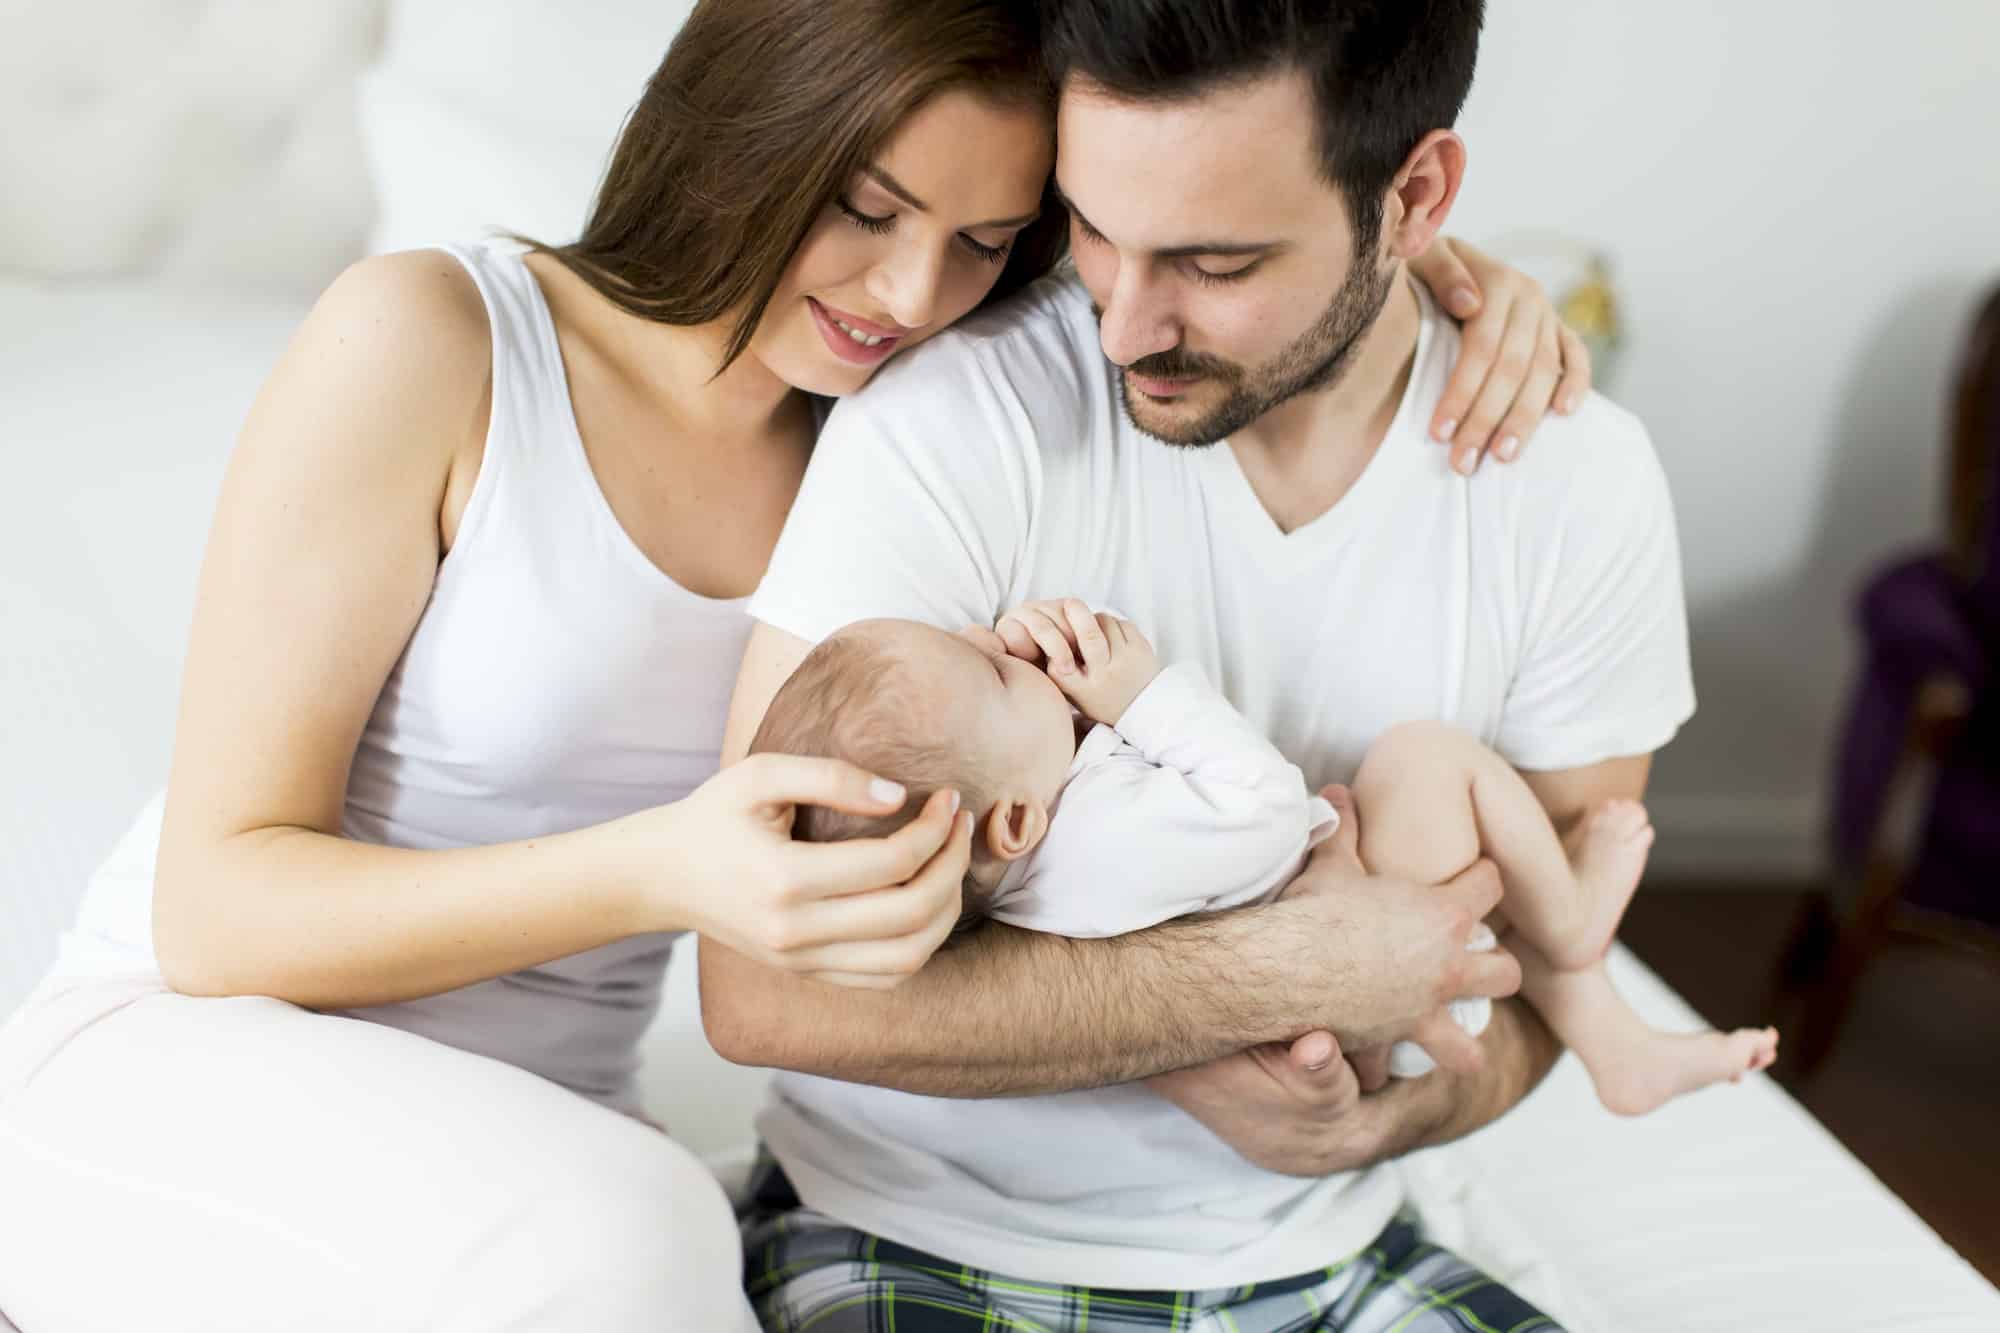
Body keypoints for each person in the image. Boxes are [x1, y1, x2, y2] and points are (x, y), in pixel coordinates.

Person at [0, 0, 1583, 1329]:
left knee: (630, 1236)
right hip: (191, 1054)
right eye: (870, 209)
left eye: (984, 240)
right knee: (640, 1241)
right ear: (749, 120)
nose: (907, 297)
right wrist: (666, 872)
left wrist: (1449, 281)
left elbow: (1221, 280)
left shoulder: (900, 432)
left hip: (528, 1142)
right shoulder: (436, 338)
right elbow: (215, 908)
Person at [707, 1, 1694, 1328]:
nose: (1120, 328)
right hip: (910, 1231)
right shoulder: (960, 415)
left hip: (1330, 1255)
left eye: (1214, 263)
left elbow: (1552, 976)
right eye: (1095, 233)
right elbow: (760, 987)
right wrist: (1284, 977)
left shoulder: (1577, 485)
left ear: (1416, 195)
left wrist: (1377, 1122)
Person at [753, 609, 1777, 1117]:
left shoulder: (1035, 861)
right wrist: (1142, 696)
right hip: (1372, 987)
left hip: (1337, 988)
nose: (1004, 646)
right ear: (1012, 823)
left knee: (1427, 814)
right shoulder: (1099, 836)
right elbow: (1264, 812)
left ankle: (1616, 1050)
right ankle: (1571, 920)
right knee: (1428, 757)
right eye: (991, 671)